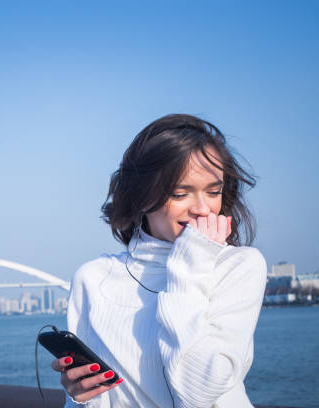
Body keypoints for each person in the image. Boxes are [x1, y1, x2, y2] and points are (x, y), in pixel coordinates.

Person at [51, 114, 267, 408]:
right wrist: (80, 397)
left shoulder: (238, 267)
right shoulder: (93, 278)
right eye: (180, 193)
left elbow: (198, 393)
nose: (204, 209)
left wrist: (191, 263)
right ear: (141, 196)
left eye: (214, 191)